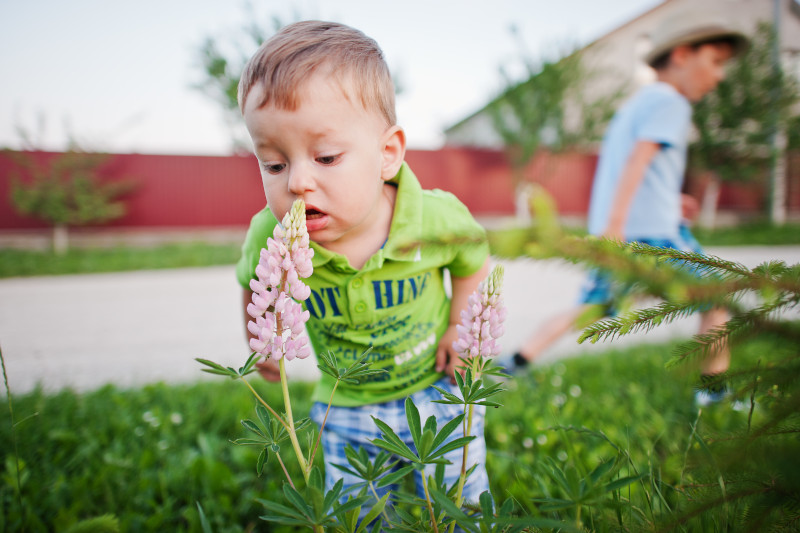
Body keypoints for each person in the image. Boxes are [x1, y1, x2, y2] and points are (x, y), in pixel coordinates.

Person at [234, 21, 491, 507]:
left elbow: (473, 260)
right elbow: (252, 281)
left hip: (435, 392)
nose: (298, 182)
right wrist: (261, 336)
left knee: (459, 505)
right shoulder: (270, 234)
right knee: (359, 513)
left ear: (387, 154)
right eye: (274, 164)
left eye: (326, 157)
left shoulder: (435, 217)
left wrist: (461, 326)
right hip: (345, 404)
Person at [506, 10, 749, 407]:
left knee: (591, 307)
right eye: (716, 62)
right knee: (717, 293)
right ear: (683, 55)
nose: (720, 75)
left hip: (621, 229)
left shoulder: (636, 105)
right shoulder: (671, 102)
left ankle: (516, 361)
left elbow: (632, 167)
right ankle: (713, 391)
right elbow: (639, 161)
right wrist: (621, 224)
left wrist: (661, 203)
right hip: (651, 237)